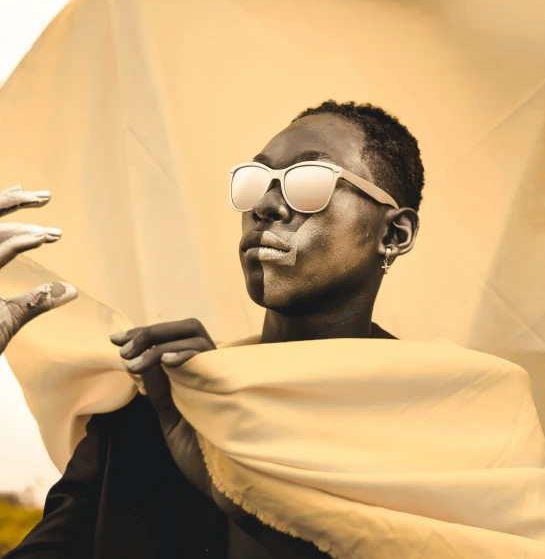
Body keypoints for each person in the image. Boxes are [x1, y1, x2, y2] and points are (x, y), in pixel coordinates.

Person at [2, 99, 423, 558]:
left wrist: (246, 495)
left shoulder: (435, 425)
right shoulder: (155, 407)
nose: (265, 205)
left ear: (394, 234)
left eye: (309, 183)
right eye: (256, 181)